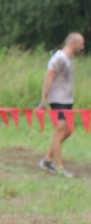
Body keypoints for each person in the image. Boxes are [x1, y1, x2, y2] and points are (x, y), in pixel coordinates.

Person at [39, 32, 85, 177]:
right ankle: (59, 167)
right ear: (73, 43)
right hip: (58, 100)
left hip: (66, 100)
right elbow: (49, 77)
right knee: (60, 132)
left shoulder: (69, 59)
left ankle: (47, 160)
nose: (83, 47)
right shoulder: (59, 58)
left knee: (68, 131)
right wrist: (44, 100)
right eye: (81, 44)